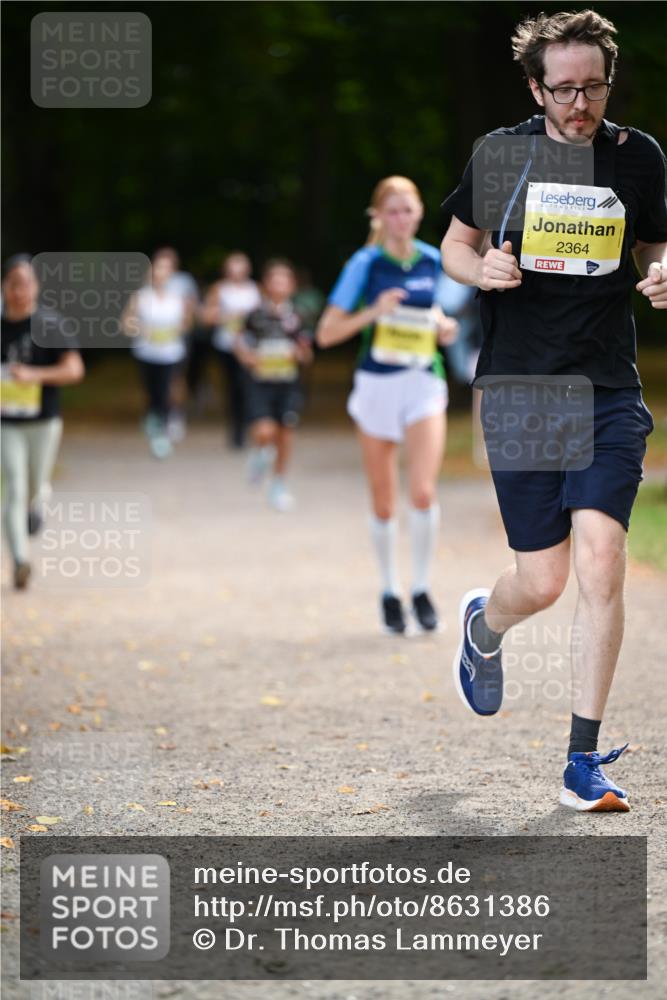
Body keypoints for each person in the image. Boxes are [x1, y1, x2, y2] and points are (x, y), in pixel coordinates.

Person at [440, 9, 667, 810]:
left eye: (592, 87)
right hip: (521, 388)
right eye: (563, 89)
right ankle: (483, 627)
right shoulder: (500, 156)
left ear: (608, 82)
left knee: (602, 559)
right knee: (541, 582)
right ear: (535, 87)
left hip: (606, 388)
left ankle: (581, 762)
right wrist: (482, 273)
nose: (579, 103)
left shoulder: (638, 158)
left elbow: (653, 242)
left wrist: (662, 269)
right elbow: (455, 245)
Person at [317, 176, 465, 635]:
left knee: (422, 491)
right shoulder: (366, 263)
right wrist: (373, 311)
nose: (401, 219)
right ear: (379, 216)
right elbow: (326, 333)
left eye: (408, 210)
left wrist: (446, 330)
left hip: (422, 382)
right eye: (392, 211)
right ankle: (388, 590)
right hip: (377, 386)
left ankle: (421, 588)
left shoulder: (436, 260)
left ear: (419, 213)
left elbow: (448, 317)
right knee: (384, 501)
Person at [1, 255, 85, 589]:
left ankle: (38, 505)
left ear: (36, 287)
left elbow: (74, 370)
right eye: (13, 283)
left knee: (35, 487)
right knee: (13, 488)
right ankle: (20, 560)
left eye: (26, 284)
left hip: (44, 422)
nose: (19, 291)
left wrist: (34, 375)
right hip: (6, 424)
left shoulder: (49, 325)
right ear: (4, 287)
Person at [236, 259, 312, 512]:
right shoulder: (254, 315)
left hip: (288, 384)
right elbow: (239, 341)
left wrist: (300, 354)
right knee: (265, 431)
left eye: (284, 279)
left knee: (286, 436)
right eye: (274, 279)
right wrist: (247, 356)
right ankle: (259, 454)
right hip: (260, 383)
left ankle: (278, 485)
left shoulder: (298, 316)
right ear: (266, 284)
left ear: (292, 285)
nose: (279, 284)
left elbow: (307, 353)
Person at [122, 251, 193, 459]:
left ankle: (161, 433)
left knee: (165, 391)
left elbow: (187, 324)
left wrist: (175, 330)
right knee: (152, 392)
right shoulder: (140, 297)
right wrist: (142, 330)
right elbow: (126, 323)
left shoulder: (178, 299)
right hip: (146, 353)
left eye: (165, 270)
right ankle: (153, 420)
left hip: (171, 353)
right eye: (157, 270)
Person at [200, 252, 261, 448]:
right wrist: (227, 316)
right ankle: (237, 431)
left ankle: (251, 425)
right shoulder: (219, 289)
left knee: (249, 386)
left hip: (251, 346)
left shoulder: (255, 289)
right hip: (226, 346)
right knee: (234, 387)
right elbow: (207, 316)